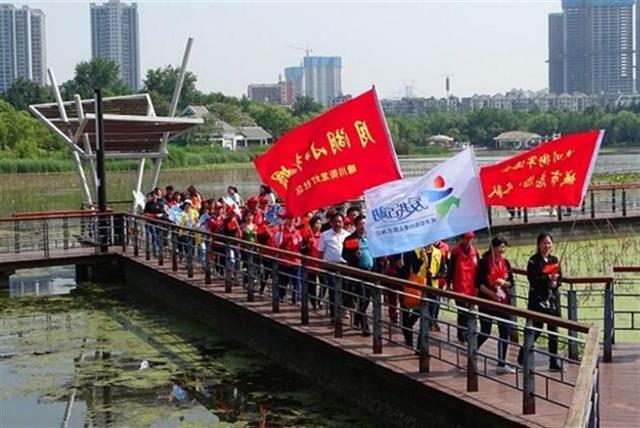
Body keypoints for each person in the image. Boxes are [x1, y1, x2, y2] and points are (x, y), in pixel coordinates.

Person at [518, 232, 564, 371]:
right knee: (535, 330)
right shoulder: (533, 261)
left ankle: (553, 361)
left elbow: (560, 278)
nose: (547, 246)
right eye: (544, 243)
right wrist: (547, 278)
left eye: (549, 243)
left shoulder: (554, 259)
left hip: (552, 300)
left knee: (553, 331)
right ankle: (523, 355)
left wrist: (557, 281)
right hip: (538, 300)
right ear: (539, 244)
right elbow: (533, 280)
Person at [476, 236, 516, 373]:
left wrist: (503, 283)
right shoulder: (484, 262)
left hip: (503, 302)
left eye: (504, 247)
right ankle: (472, 350)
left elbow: (511, 283)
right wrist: (491, 294)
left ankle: (502, 363)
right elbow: (479, 283)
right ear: (493, 248)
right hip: (487, 301)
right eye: (500, 247)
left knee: (504, 332)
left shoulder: (506, 263)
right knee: (485, 332)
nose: (502, 250)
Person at [341, 214, 375, 335]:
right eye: (360, 224)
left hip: (371, 273)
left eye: (364, 224)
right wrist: (354, 256)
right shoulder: (350, 239)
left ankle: (357, 317)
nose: (363, 226)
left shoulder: (370, 238)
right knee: (362, 297)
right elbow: (344, 255)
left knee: (367, 299)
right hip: (358, 272)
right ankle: (365, 327)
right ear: (355, 226)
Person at [447, 231, 480, 343]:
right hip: (459, 286)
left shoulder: (475, 251)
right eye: (467, 238)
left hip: (472, 287)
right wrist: (448, 284)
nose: (469, 241)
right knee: (462, 312)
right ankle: (462, 335)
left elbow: (479, 269)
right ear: (462, 239)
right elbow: (450, 269)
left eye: (471, 238)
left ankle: (471, 334)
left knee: (471, 312)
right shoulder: (455, 252)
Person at [318, 212, 350, 320]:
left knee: (344, 290)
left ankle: (342, 311)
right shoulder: (325, 235)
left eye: (340, 222)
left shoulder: (347, 235)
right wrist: (321, 265)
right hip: (330, 265)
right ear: (331, 223)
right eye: (335, 221)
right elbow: (320, 252)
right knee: (333, 290)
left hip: (344, 266)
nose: (338, 224)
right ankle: (334, 315)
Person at [300, 215, 323, 310]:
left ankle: (320, 299)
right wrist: (307, 246)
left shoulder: (323, 236)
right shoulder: (306, 237)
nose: (318, 225)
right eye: (316, 223)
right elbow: (301, 250)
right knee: (312, 285)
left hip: (321, 264)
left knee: (323, 284)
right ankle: (314, 303)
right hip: (310, 264)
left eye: (319, 223)